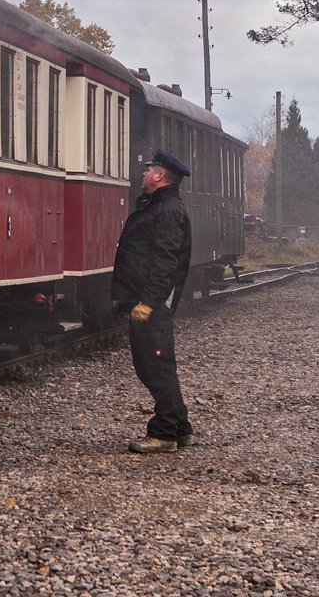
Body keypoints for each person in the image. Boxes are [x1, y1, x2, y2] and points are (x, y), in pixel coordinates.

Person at [111, 148, 193, 454]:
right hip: (146, 300)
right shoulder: (157, 206)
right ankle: (181, 428)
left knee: (155, 366)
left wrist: (147, 302)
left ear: (160, 176)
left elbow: (164, 261)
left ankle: (164, 433)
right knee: (156, 365)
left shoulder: (167, 211)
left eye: (149, 169)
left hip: (152, 304)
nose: (143, 173)